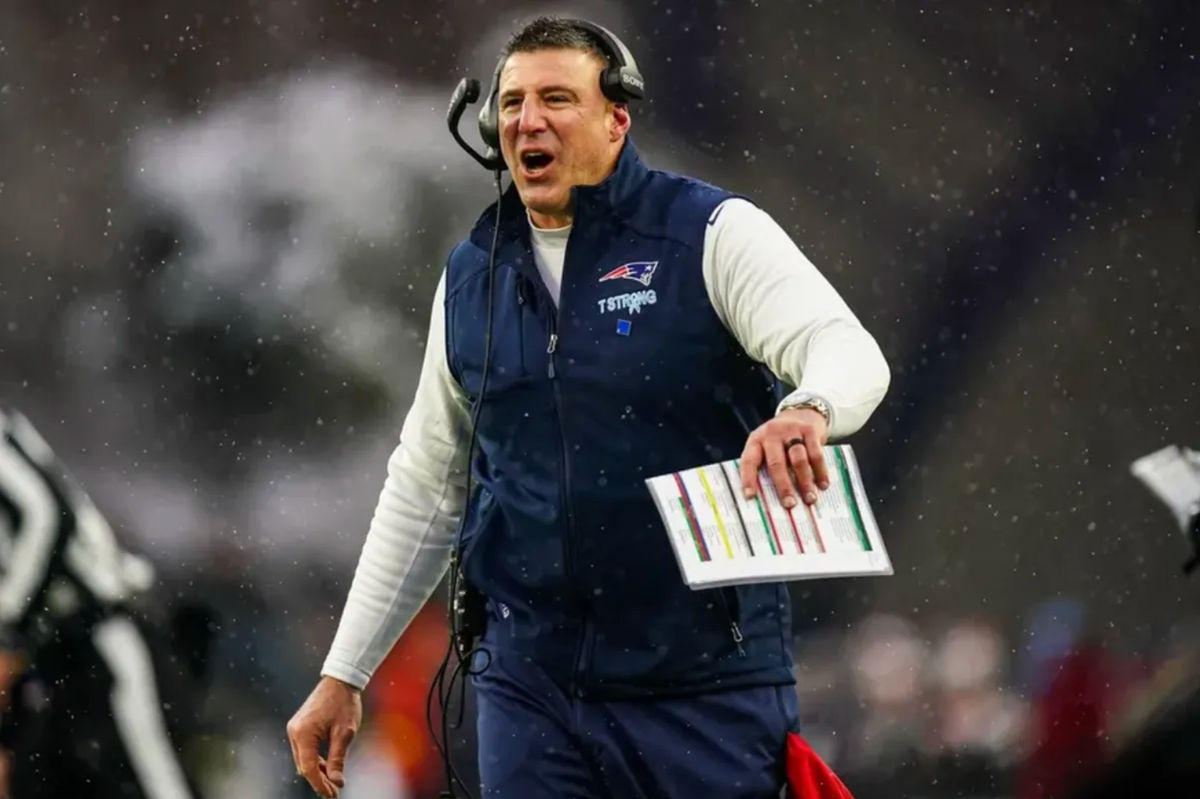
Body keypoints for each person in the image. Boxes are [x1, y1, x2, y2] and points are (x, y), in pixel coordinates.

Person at [287, 15, 890, 799]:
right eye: (511, 103)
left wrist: (808, 408)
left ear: (617, 119)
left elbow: (847, 349)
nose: (527, 120)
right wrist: (345, 671)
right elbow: (428, 482)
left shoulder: (711, 233)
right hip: (528, 686)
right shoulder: (472, 275)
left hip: (702, 686)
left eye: (557, 99)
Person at [0, 406, 201, 799]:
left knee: (151, 784)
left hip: (96, 636)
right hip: (42, 662)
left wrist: (6, 630)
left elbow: (45, 515)